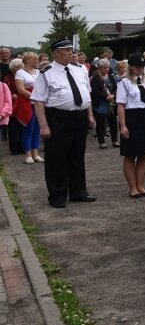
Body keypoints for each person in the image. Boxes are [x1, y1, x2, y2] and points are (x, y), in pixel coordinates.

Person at [31, 38, 97, 208]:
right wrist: (43, 126)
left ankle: (78, 192)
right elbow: (38, 101)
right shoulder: (46, 72)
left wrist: (90, 115)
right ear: (57, 53)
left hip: (80, 116)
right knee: (57, 158)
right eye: (67, 50)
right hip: (58, 118)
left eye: (71, 50)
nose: (71, 53)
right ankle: (57, 195)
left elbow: (86, 94)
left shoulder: (79, 69)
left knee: (77, 155)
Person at [116, 53, 145, 198]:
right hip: (131, 118)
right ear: (131, 67)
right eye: (138, 67)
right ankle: (132, 187)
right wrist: (122, 125)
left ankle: (140, 185)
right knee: (130, 154)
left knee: (143, 154)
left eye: (142, 67)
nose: (140, 69)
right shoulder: (124, 83)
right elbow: (121, 105)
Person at [15, 52, 44, 164]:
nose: (36, 61)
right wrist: (36, 96)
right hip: (27, 104)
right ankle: (28, 155)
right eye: (34, 59)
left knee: (37, 129)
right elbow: (21, 90)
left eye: (37, 59)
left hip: (39, 103)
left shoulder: (39, 72)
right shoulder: (20, 73)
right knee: (29, 129)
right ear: (27, 60)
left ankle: (35, 154)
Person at [90, 59, 118, 150]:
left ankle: (115, 140)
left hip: (111, 103)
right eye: (104, 68)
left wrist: (113, 95)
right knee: (101, 123)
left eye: (108, 67)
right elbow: (95, 91)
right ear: (99, 68)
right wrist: (106, 96)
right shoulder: (95, 78)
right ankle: (101, 141)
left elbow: (115, 87)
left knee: (113, 122)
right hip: (100, 103)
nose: (106, 69)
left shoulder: (111, 76)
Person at [3, 58, 23, 154]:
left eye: (21, 67)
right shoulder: (8, 77)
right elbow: (7, 90)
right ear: (12, 68)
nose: (19, 69)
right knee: (13, 127)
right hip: (12, 104)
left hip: (22, 103)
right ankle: (14, 148)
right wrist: (13, 95)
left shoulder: (23, 76)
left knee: (22, 126)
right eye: (17, 67)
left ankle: (22, 147)